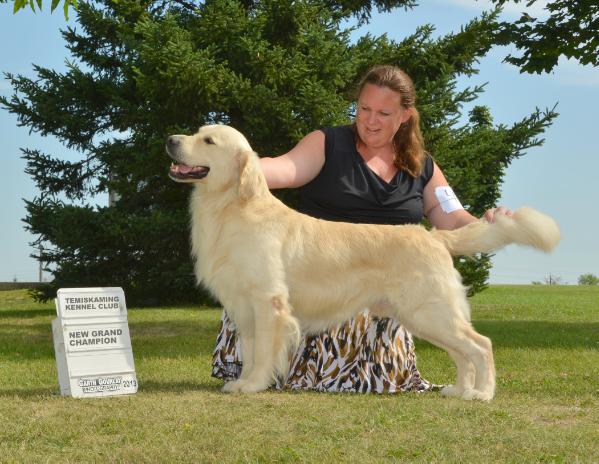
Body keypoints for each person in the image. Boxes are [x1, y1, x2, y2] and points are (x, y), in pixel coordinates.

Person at [211, 65, 510, 393]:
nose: (370, 120)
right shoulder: (328, 143)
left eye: (383, 112)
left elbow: (452, 218)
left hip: (386, 284)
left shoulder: (422, 165)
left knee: (431, 321)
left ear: (405, 115)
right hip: (315, 285)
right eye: (364, 109)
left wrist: (490, 224)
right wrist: (241, 164)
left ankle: (475, 375)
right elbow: (285, 167)